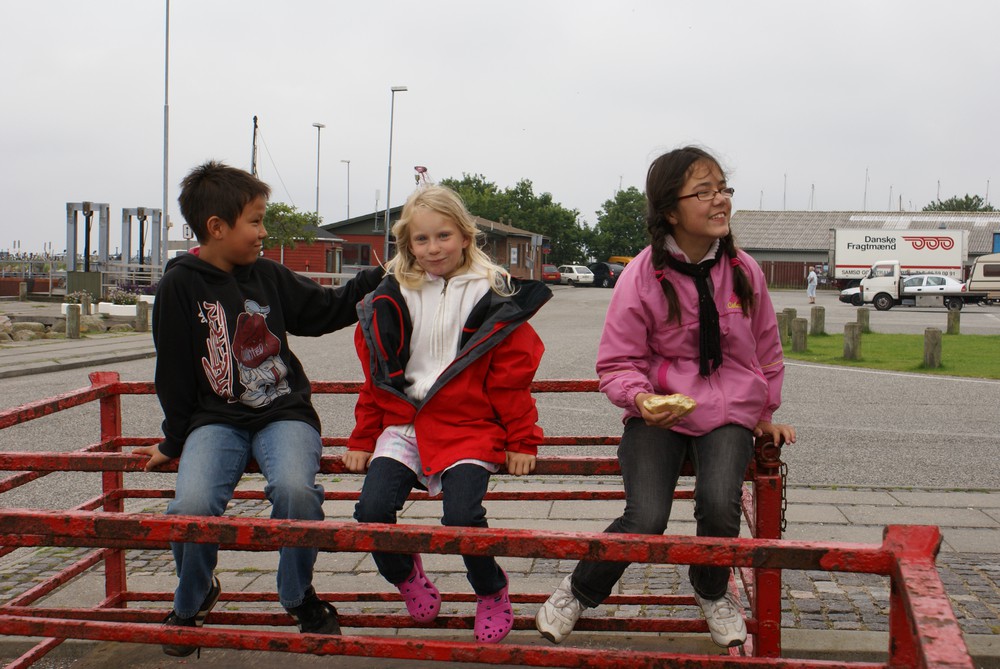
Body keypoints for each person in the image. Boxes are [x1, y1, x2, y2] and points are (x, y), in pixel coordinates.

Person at [535, 146, 796, 649]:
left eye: (723, 188)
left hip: (729, 414)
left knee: (719, 506)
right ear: (671, 211)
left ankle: (712, 590)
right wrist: (641, 400)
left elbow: (767, 348)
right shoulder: (641, 275)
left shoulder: (744, 270)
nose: (720, 199)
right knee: (646, 518)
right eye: (704, 191)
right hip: (658, 413)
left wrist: (766, 412)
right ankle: (579, 591)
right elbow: (617, 362)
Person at [134, 161, 383, 658]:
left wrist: (377, 278)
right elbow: (174, 371)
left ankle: (297, 595)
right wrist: (174, 440)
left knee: (296, 492)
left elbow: (323, 310)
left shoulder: (267, 275)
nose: (264, 231)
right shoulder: (180, 285)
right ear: (216, 227)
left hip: (283, 413)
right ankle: (193, 596)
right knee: (189, 507)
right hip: (214, 420)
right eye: (255, 220)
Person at [344, 185, 551, 644]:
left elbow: (511, 380)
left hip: (468, 425)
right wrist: (362, 439)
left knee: (461, 518)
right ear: (407, 244)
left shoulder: (492, 292)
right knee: (371, 513)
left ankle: (491, 590)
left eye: (443, 236)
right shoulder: (392, 294)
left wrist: (522, 440)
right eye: (421, 239)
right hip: (405, 423)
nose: (433, 248)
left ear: (464, 236)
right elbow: (376, 377)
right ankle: (405, 574)